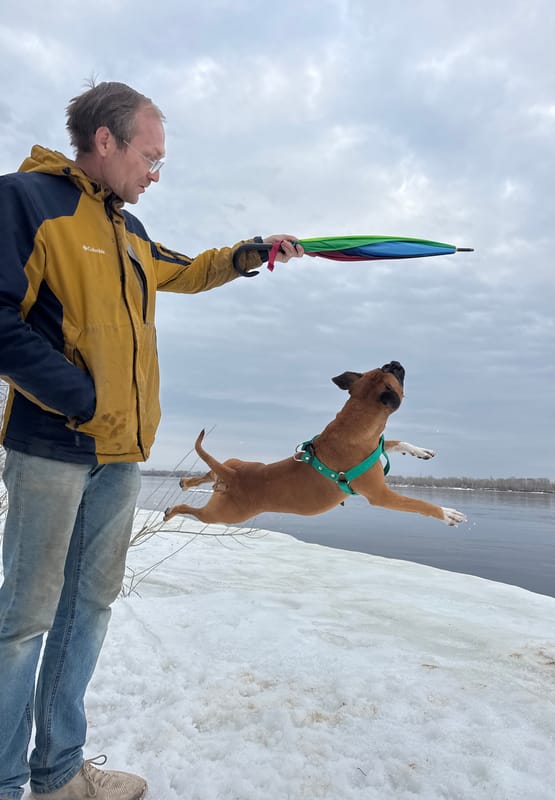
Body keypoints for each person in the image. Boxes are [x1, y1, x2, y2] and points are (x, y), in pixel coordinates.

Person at [0, 80, 304, 800]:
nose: (154, 174)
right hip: (51, 449)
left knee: (87, 612)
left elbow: (187, 270)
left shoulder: (128, 232)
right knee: (24, 624)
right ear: (105, 140)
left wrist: (250, 252)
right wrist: (80, 396)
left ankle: (60, 771)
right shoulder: (26, 202)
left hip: (119, 458)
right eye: (150, 156)